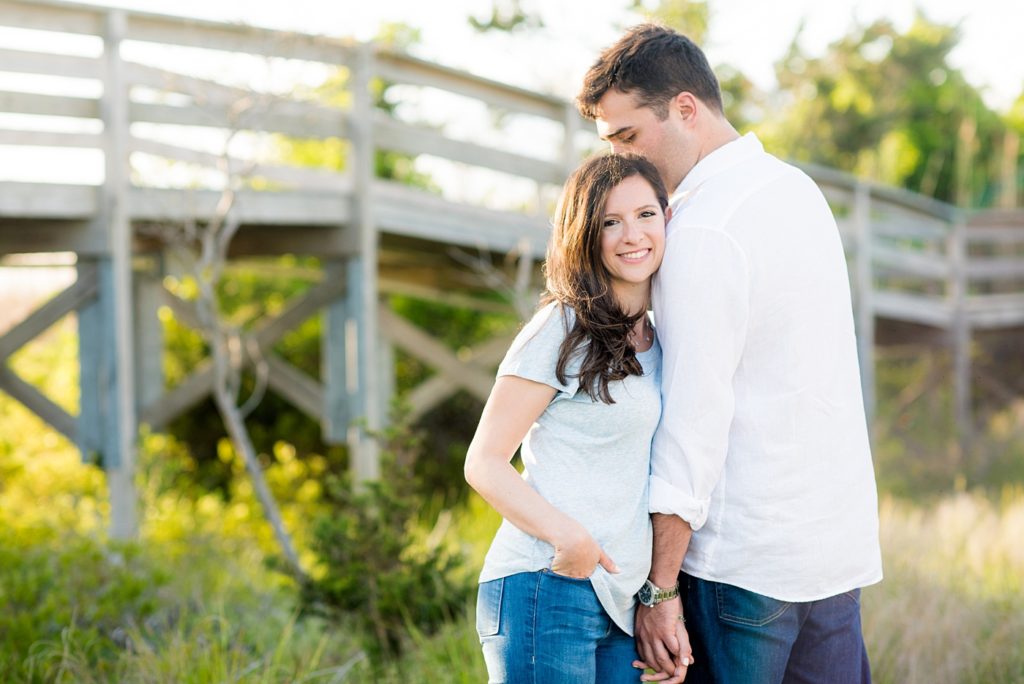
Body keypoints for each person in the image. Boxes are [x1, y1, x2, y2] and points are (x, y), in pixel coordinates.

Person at [576, 24, 884, 684]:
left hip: (743, 568)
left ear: (685, 108)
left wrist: (659, 590)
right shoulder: (798, 190)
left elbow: (694, 420)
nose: (624, 162)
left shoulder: (703, 227)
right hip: (833, 550)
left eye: (628, 137)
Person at [464, 152, 676, 683]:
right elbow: (484, 462)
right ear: (585, 234)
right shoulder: (561, 327)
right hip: (548, 583)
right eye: (610, 221)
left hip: (620, 599)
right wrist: (569, 539)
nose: (632, 235)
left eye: (645, 215)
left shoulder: (662, 337)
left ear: (667, 219)